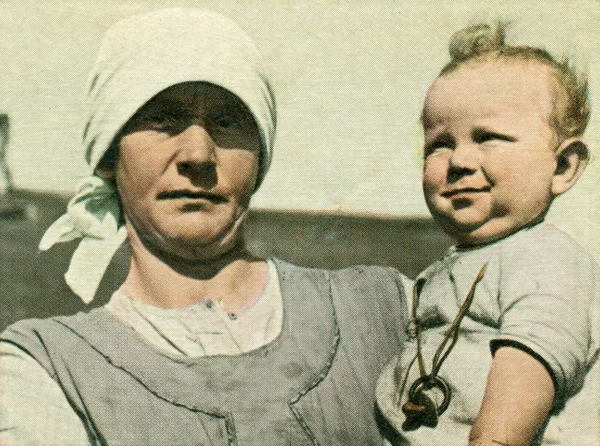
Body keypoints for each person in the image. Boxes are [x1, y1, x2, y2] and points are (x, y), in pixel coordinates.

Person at [0, 9, 411, 445]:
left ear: (258, 156)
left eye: (228, 121)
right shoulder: (45, 370)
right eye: (161, 118)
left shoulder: (386, 310)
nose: (198, 154)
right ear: (108, 155)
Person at [376, 23, 600, 446]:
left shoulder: (547, 259)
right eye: (439, 143)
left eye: (488, 138)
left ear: (564, 166)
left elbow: (530, 363)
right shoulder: (455, 264)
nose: (459, 160)